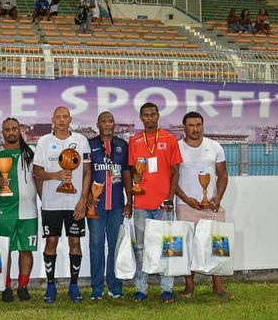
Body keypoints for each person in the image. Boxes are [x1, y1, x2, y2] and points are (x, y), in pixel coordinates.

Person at [33, 106, 91, 304]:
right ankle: (51, 285)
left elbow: (87, 173)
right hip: (51, 204)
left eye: (65, 117)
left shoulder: (81, 141)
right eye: (58, 117)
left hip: (75, 203)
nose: (62, 120)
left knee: (75, 243)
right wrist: (55, 176)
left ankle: (74, 286)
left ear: (70, 119)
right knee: (51, 242)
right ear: (53, 119)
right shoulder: (44, 142)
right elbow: (37, 173)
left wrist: (83, 199)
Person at [175, 111, 233, 300]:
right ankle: (189, 287)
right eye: (191, 125)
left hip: (211, 206)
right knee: (188, 246)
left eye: (198, 125)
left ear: (202, 126)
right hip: (186, 205)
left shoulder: (214, 146)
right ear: (184, 127)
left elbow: (223, 175)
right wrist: (186, 198)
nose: (195, 129)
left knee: (216, 245)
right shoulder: (177, 148)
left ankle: (218, 287)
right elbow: (172, 179)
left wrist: (217, 198)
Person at [129, 102, 182, 304]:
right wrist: (135, 180)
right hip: (141, 203)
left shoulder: (169, 139)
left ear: (158, 116)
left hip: (164, 204)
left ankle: (166, 288)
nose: (150, 118)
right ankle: (141, 289)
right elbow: (133, 171)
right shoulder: (134, 141)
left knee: (167, 247)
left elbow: (176, 172)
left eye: (153, 114)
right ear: (141, 118)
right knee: (141, 248)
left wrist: (170, 198)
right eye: (146, 115)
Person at [0, 118, 38, 302]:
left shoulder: (31, 153)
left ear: (19, 131)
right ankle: (6, 286)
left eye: (14, 129)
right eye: (7, 129)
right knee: (4, 250)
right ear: (2, 132)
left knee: (26, 249)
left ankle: (23, 286)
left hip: (29, 210)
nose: (11, 132)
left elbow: (39, 177)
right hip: (4, 211)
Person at [87, 111, 133, 300]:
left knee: (115, 245)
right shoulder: (90, 145)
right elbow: (86, 173)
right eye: (104, 121)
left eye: (111, 121)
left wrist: (130, 201)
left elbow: (127, 175)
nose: (107, 124)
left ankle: (115, 285)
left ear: (114, 124)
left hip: (116, 205)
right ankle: (97, 287)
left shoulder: (123, 145)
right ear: (98, 124)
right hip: (95, 206)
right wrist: (87, 196)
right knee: (96, 246)